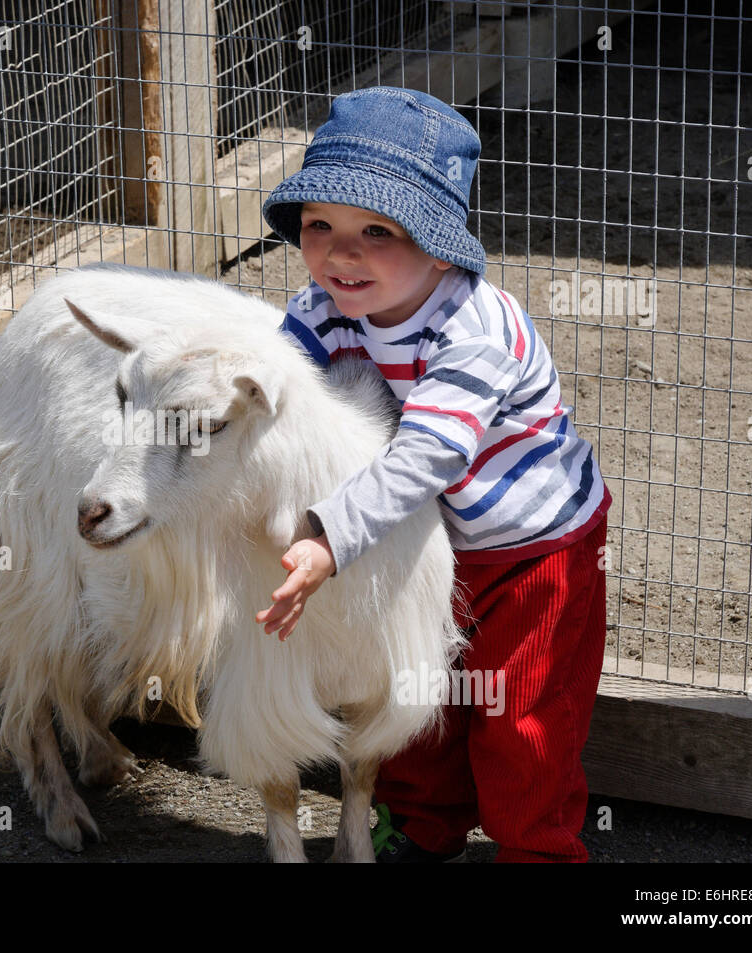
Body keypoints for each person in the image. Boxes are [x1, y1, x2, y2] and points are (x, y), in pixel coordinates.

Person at [255, 86, 612, 862]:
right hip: (425, 541)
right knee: (415, 692)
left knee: (524, 714)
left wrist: (324, 535)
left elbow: (430, 453)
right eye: (320, 225)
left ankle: (536, 848)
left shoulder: (471, 330)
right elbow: (273, 387)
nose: (340, 253)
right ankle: (418, 828)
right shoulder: (322, 307)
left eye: (376, 230)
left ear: (440, 242)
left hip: (532, 550)